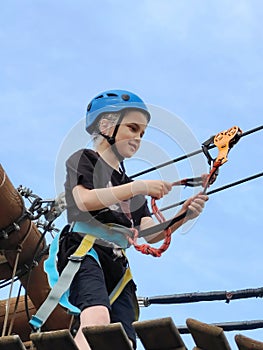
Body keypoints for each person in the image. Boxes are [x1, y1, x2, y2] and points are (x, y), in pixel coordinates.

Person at [59, 90, 208, 349]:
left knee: (124, 338)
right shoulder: (84, 161)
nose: (138, 138)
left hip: (117, 265)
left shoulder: (130, 185)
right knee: (96, 316)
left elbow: (151, 233)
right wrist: (137, 188)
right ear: (105, 125)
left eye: (142, 133)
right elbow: (84, 200)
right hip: (85, 251)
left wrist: (183, 215)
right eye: (133, 128)